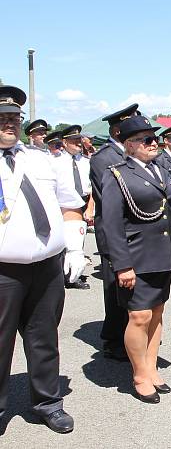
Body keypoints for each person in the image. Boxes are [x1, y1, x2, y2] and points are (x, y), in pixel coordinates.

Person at [0, 86, 86, 434]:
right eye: (2, 118)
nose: (10, 124)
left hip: (47, 267)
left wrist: (76, 247)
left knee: (44, 338)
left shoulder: (41, 159)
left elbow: (69, 204)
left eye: (14, 119)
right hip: (3, 271)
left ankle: (48, 402)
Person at [100, 115, 171, 403]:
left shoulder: (161, 170)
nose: (154, 143)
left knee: (157, 313)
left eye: (154, 138)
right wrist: (122, 265)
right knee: (139, 316)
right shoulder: (117, 174)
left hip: (162, 255)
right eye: (147, 139)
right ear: (129, 145)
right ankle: (139, 375)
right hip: (136, 257)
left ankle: (151, 368)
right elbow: (111, 224)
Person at [89, 103, 140, 361]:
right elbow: (108, 202)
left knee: (133, 289)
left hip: (138, 233)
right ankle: (113, 339)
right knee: (115, 288)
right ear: (119, 130)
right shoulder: (103, 158)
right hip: (115, 232)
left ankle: (132, 334)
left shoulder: (134, 154)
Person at [55, 125, 93, 290]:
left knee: (78, 240)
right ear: (64, 142)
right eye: (74, 140)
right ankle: (60, 274)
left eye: (79, 140)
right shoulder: (55, 162)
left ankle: (74, 276)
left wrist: (90, 207)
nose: (78, 143)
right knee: (63, 241)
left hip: (83, 201)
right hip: (63, 205)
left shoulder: (86, 162)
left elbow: (92, 188)